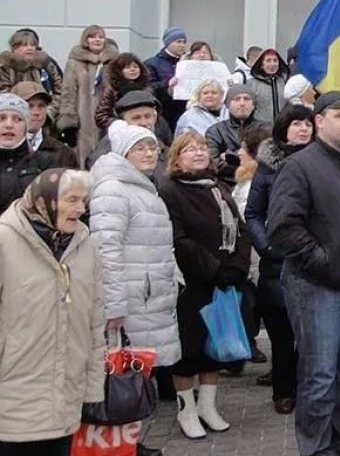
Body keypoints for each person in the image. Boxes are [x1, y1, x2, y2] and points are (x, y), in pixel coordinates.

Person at [267, 92, 340, 456]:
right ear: (319, 121)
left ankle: (334, 438)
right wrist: (323, 261)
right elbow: (283, 227)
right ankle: (315, 448)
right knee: (320, 376)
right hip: (316, 286)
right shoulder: (300, 166)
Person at [89, 120, 180, 456]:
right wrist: (113, 307)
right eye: (139, 147)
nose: (148, 153)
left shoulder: (141, 185)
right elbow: (105, 249)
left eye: (152, 147)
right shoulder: (113, 189)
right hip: (129, 302)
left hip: (149, 296)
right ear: (123, 152)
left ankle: (129, 441)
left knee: (136, 376)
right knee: (123, 377)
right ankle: (118, 443)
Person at [0, 169, 104, 456]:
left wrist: (93, 388)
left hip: (65, 394)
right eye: (72, 200)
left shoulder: (86, 245)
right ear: (44, 200)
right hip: (13, 393)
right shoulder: (5, 241)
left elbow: (95, 321)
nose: (81, 209)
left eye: (84, 201)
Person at [158, 132, 251, 439]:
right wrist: (213, 270)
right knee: (189, 349)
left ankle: (208, 406)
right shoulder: (170, 191)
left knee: (215, 346)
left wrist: (237, 266)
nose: (198, 153)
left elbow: (240, 227)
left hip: (224, 281)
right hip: (192, 282)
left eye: (201, 148)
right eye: (189, 150)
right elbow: (179, 239)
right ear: (176, 158)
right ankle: (187, 409)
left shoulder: (218, 187)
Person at [245, 104, 315, 415]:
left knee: (313, 334)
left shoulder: (321, 160)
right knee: (283, 334)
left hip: (315, 258)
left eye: (308, 123)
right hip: (279, 262)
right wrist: (268, 247)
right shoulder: (268, 166)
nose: (303, 129)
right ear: (283, 128)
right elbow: (253, 213)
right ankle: (284, 391)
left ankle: (310, 389)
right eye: (296, 123)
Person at [58, 25, 119, 164]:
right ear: (86, 40)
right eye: (93, 37)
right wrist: (68, 123)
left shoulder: (113, 62)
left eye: (101, 37)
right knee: (82, 158)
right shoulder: (74, 62)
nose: (97, 40)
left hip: (108, 116)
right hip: (83, 119)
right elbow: (68, 92)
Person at [86, 91, 170, 180]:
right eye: (136, 118)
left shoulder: (161, 145)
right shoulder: (110, 147)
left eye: (148, 116)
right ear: (123, 122)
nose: (144, 122)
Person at [0, 93, 60, 212]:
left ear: (26, 127)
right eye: (1, 118)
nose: (9, 125)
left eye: (18, 119)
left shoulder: (46, 163)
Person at [206, 85, 270, 187]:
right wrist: (246, 164)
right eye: (236, 99)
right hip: (227, 185)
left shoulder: (266, 129)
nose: (242, 103)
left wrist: (229, 156)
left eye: (246, 99)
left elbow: (269, 159)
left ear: (254, 104)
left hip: (260, 183)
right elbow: (213, 163)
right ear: (227, 105)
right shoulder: (216, 131)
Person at [0, 29, 63, 121]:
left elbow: (60, 89)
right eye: (24, 45)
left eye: (32, 45)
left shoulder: (46, 65)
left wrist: (49, 112)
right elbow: (4, 95)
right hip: (15, 118)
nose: (30, 48)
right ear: (14, 48)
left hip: (44, 118)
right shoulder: (5, 67)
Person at [14, 81, 77, 169]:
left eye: (41, 106)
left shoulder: (64, 154)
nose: (36, 112)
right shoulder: (4, 150)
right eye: (29, 106)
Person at [95, 52, 152, 133]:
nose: (132, 70)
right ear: (119, 71)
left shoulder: (147, 89)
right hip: (119, 132)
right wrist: (118, 123)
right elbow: (101, 115)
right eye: (127, 67)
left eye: (135, 67)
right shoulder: (112, 90)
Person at [145, 27, 189, 129]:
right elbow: (148, 87)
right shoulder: (152, 63)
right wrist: (167, 83)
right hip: (163, 113)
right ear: (168, 43)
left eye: (184, 42)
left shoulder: (187, 63)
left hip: (184, 111)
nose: (182, 45)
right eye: (178, 42)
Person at [243, 48, 290, 125]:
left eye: (275, 60)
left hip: (282, 128)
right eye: (268, 61)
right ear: (261, 64)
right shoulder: (252, 84)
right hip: (260, 130)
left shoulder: (285, 82)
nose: (272, 64)